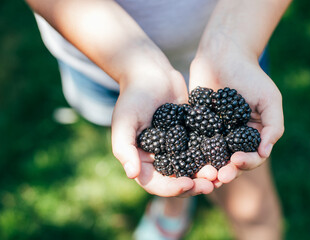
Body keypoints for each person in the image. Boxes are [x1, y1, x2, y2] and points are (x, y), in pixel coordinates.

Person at [26, 0, 291, 239]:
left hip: (238, 40)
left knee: (248, 198)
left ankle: (243, 219)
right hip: (101, 60)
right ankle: (176, 202)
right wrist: (134, 68)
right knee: (136, 132)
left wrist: (235, 42)